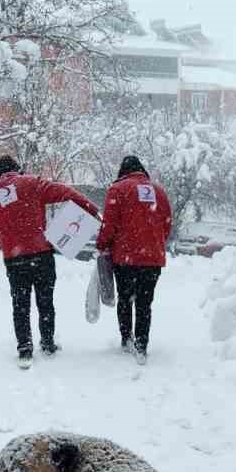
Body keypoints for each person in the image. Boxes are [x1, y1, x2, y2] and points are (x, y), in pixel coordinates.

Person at [0, 154, 100, 369]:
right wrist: (90, 208)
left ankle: (24, 348)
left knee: (20, 304)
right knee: (45, 301)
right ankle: (47, 343)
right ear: (15, 168)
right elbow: (66, 192)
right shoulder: (32, 183)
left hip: (13, 258)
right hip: (41, 254)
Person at [96, 155, 172, 365]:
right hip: (152, 259)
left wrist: (102, 244)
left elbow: (109, 225)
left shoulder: (118, 190)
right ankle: (142, 343)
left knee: (125, 298)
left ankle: (126, 338)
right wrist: (153, 243)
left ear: (123, 171)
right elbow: (166, 224)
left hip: (125, 259)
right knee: (145, 303)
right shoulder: (159, 192)